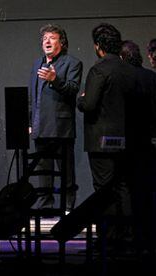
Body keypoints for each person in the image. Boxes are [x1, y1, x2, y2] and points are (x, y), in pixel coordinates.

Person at [77, 23, 136, 253]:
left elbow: (89, 104)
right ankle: (128, 236)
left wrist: (80, 99)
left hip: (102, 141)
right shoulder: (129, 70)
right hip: (127, 139)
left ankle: (109, 238)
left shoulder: (99, 70)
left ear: (98, 46)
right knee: (124, 188)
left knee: (104, 190)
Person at [29, 24, 82, 211]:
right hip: (40, 125)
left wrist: (55, 79)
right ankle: (45, 206)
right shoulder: (37, 63)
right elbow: (33, 94)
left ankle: (68, 207)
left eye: (52, 38)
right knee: (43, 169)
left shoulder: (72, 63)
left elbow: (73, 89)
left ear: (62, 42)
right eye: (44, 39)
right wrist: (30, 121)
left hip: (61, 126)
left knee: (66, 171)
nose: (47, 42)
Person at [120, 40, 156, 259]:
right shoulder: (151, 77)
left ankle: (134, 237)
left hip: (132, 142)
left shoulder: (126, 79)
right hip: (149, 141)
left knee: (134, 191)